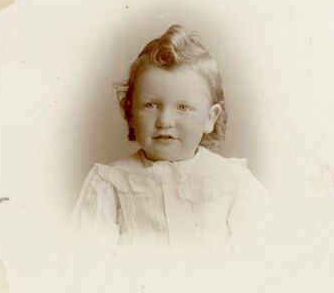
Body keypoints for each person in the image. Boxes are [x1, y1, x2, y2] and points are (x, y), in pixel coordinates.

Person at [71, 24, 268, 249]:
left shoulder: (233, 182)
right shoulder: (110, 183)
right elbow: (86, 259)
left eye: (183, 107)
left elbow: (257, 257)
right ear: (131, 113)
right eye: (150, 105)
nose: (164, 121)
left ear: (209, 118)